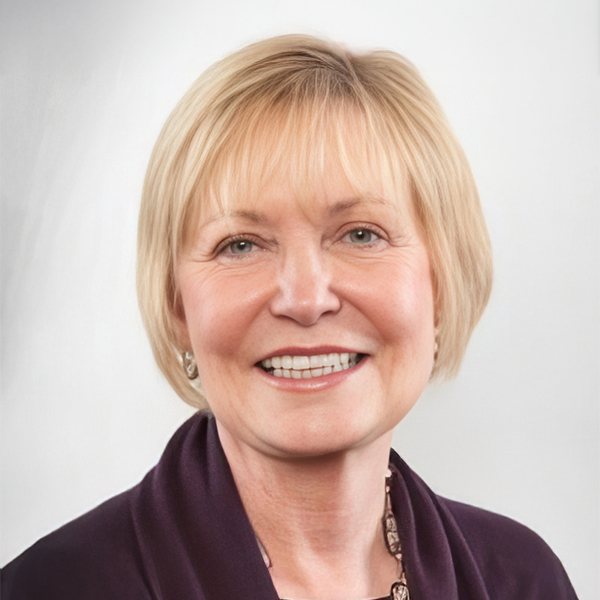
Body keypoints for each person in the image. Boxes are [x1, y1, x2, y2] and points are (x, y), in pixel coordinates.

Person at [0, 34, 578, 600]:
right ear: (177, 306)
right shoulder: (51, 589)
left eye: (360, 234)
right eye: (241, 245)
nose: (304, 299)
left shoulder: (523, 581)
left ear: (442, 285)